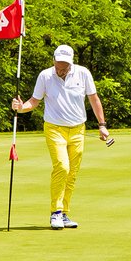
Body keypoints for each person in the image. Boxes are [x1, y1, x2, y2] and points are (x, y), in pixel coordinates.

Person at [11, 44, 110, 230]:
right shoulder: (45, 76)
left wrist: (102, 125)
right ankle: (55, 212)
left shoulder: (83, 73)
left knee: (72, 172)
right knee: (62, 167)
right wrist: (20, 107)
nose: (61, 68)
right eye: (58, 63)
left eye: (64, 64)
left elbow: (94, 98)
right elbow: (34, 101)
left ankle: (64, 212)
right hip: (54, 128)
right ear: (53, 60)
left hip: (78, 129)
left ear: (71, 62)